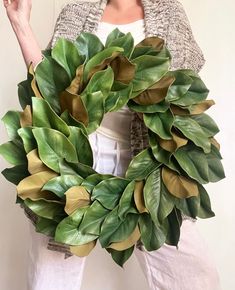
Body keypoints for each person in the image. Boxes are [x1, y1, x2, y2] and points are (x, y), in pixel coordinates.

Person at [3, 0, 221, 289]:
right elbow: (50, 90)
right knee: (49, 280)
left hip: (151, 171)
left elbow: (184, 96)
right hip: (72, 166)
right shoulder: (75, 13)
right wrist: (21, 24)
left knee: (195, 278)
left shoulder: (168, 12)